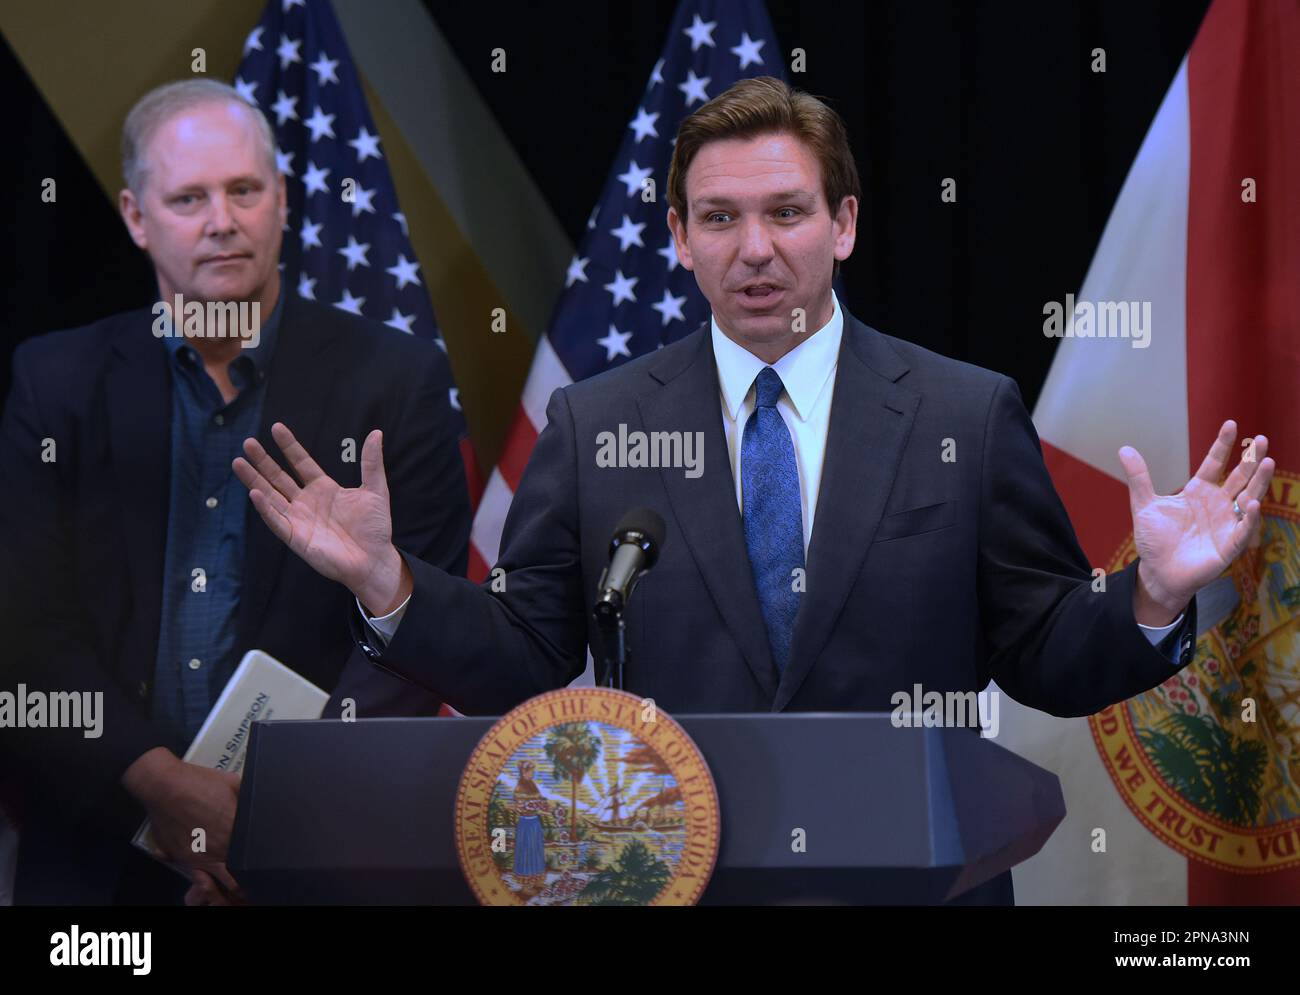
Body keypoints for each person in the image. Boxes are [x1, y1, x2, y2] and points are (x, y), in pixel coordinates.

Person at [232, 77, 1272, 904]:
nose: (757, 247)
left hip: (911, 883)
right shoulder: (598, 423)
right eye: (719, 218)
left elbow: (1041, 649)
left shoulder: (963, 413)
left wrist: (1151, 595)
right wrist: (386, 583)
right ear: (679, 239)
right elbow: (529, 658)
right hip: (677, 875)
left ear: (845, 223)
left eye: (786, 211)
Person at [0, 79, 469, 905]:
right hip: (94, 855)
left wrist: (275, 817)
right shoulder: (55, 381)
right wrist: (160, 782)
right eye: (188, 197)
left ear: (281, 201)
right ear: (136, 217)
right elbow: (26, 632)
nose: (222, 220)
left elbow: (418, 626)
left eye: (244, 190)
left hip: (324, 851)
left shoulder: (398, 382)